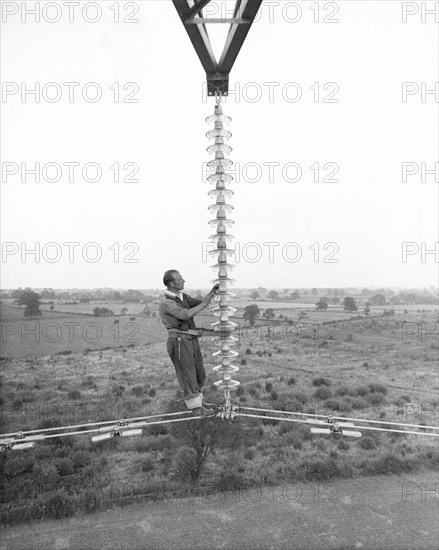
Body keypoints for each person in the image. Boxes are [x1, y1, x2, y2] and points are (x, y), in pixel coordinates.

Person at [158, 269, 220, 415]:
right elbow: (185, 314)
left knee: (199, 373)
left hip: (191, 339)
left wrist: (212, 293)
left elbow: (199, 304)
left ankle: (199, 402)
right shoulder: (166, 302)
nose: (183, 280)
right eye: (180, 279)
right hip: (179, 341)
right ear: (172, 283)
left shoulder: (183, 297)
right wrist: (206, 301)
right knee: (187, 375)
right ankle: (196, 409)